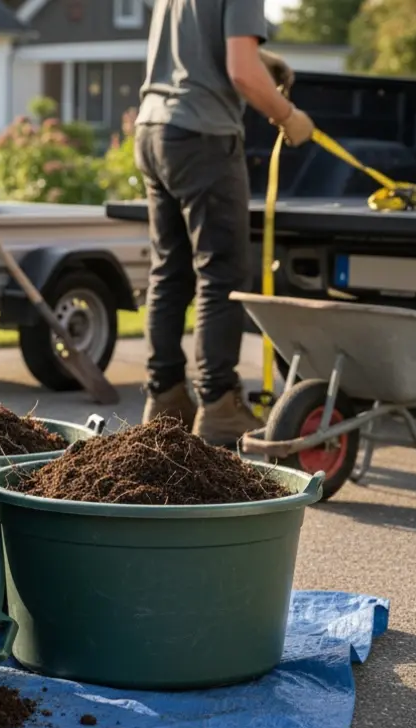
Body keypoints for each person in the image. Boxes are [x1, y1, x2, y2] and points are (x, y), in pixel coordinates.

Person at [134, 0, 315, 447]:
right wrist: (289, 117)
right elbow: (242, 75)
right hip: (203, 136)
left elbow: (194, 44)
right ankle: (218, 406)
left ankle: (165, 398)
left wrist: (259, 56)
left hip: (153, 129)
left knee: (170, 272)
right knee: (221, 275)